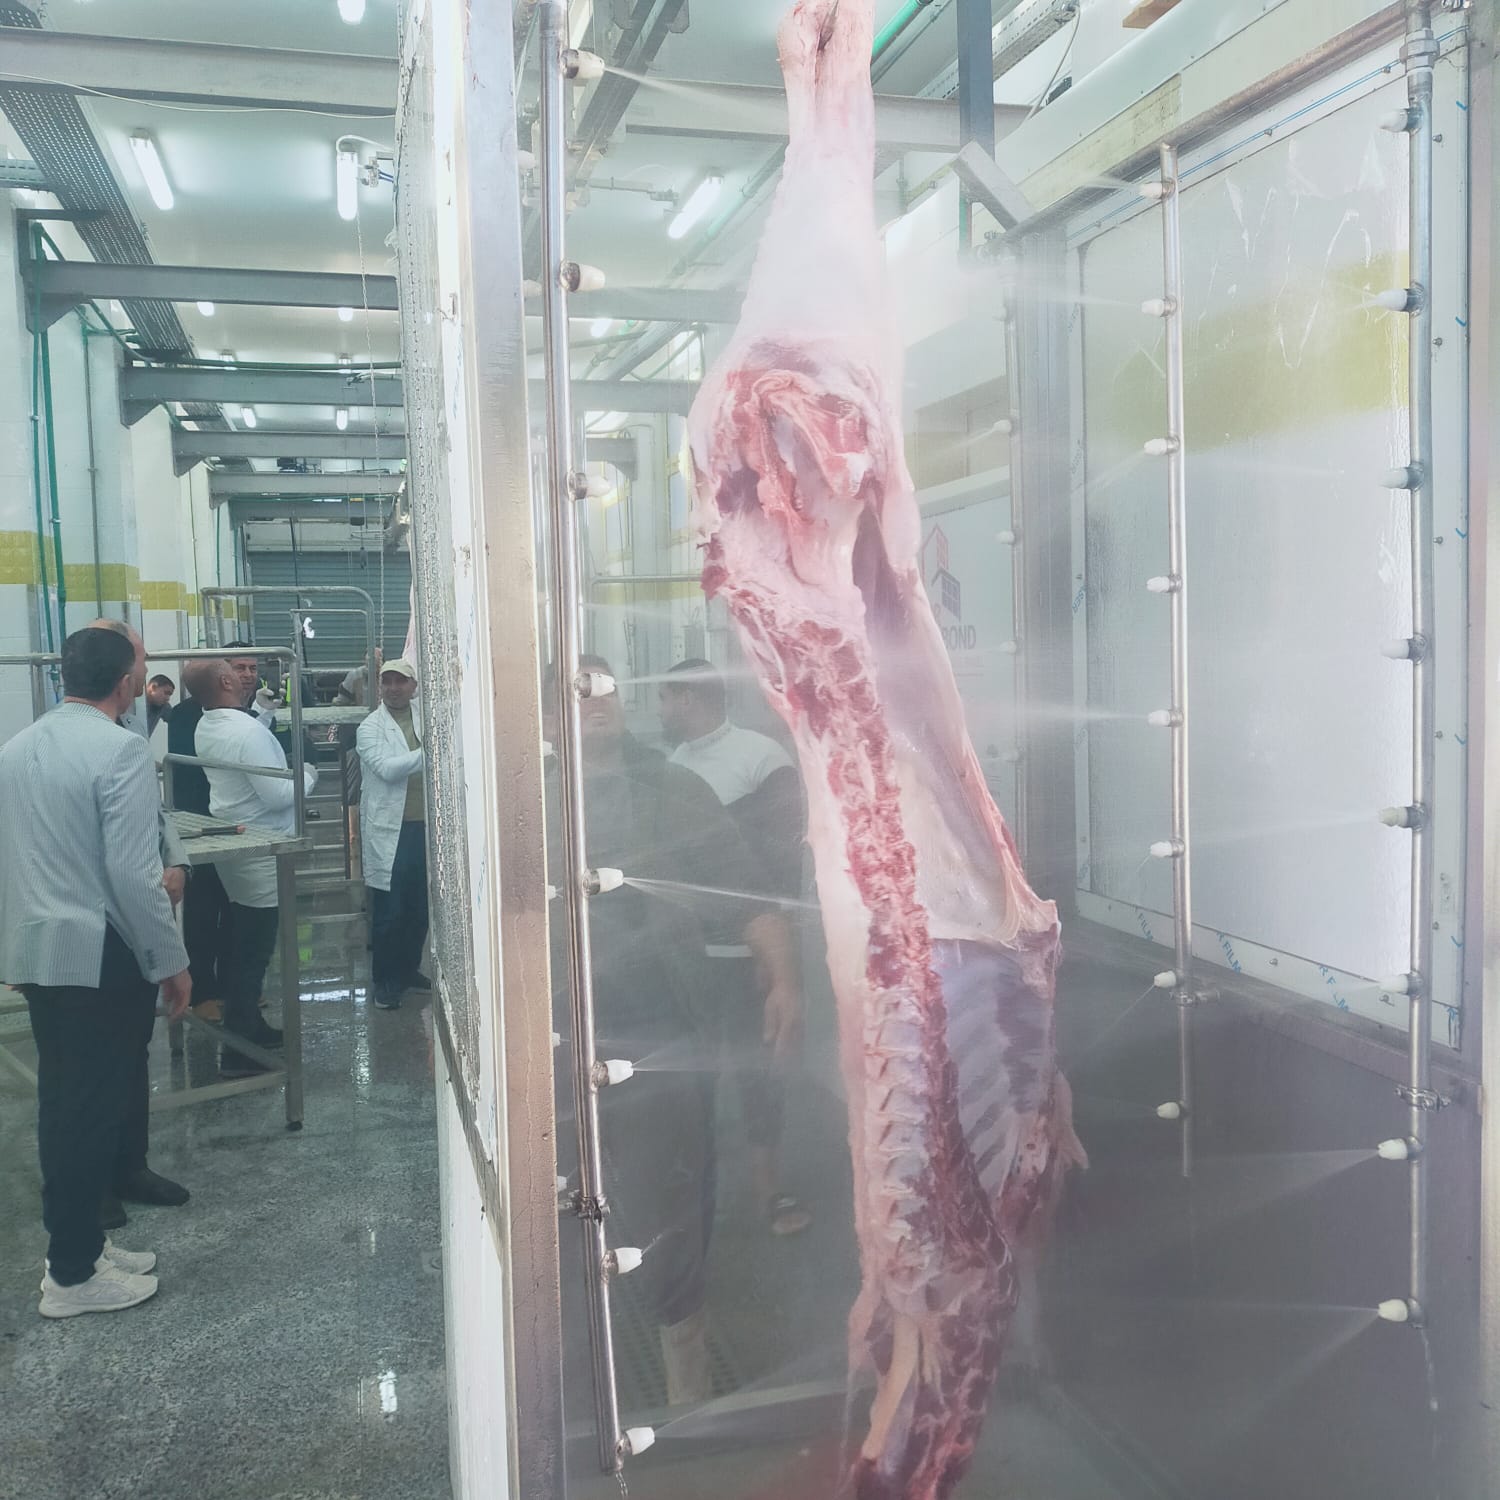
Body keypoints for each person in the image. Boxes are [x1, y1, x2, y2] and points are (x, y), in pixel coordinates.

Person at [548, 654, 802, 1405]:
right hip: (548, 1033)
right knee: (554, 1197)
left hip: (658, 1028)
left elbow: (745, 893)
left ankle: (685, 1374)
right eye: (576, 691)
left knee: (673, 1197)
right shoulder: (525, 797)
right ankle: (557, 1366)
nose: (595, 700)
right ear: (547, 712)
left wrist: (785, 979)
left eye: (604, 687)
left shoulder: (672, 788)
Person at [0, 627, 191, 1318]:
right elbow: (134, 875)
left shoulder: (17, 747)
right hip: (98, 953)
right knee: (84, 1114)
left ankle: (82, 1247)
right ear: (127, 682)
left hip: (41, 950)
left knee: (68, 1105)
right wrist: (171, 961)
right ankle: (73, 1277)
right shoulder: (120, 750)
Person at [660, 657, 812, 1237]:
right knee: (693, 1075)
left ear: (688, 698)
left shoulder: (760, 759)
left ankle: (770, 1187)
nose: (661, 709)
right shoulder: (674, 766)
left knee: (759, 1072)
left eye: (666, 698)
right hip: (690, 957)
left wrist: (774, 955)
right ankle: (697, 1192)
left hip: (750, 952)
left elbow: (783, 864)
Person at [85, 620, 193, 1219]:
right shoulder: (73, 737)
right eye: (140, 662)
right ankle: (94, 1183)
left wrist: (175, 860)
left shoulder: (129, 727)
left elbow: (154, 809)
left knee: (131, 1052)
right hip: (95, 920)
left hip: (131, 921)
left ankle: (131, 1166)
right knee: (91, 1066)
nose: (145, 672)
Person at [186, 658, 318, 1077]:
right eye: (236, 670)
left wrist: (261, 713)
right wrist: (308, 774)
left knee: (242, 942)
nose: (247, 675)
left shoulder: (208, 723)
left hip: (236, 842)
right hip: (261, 846)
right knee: (253, 951)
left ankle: (249, 1026)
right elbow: (277, 795)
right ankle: (239, 1051)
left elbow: (245, 750)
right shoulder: (245, 732)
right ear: (226, 680)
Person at [356, 658, 430, 1011]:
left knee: (420, 907)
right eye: (387, 682)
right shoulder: (370, 727)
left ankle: (409, 970)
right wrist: (431, 753)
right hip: (392, 830)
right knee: (390, 910)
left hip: (426, 825)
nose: (394, 688)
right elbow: (387, 769)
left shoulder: (425, 716)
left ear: (414, 686)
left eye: (401, 681)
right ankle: (385, 981)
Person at [167, 662, 233, 1024]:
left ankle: (232, 988)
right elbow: (190, 771)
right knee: (204, 911)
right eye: (239, 668)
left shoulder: (253, 712)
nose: (246, 675)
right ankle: (204, 992)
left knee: (237, 912)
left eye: (252, 668)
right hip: (202, 825)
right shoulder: (185, 714)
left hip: (241, 824)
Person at [223, 639, 278, 728]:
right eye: (240, 668)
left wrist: (265, 712)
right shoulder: (206, 706)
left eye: (253, 668)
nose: (248, 675)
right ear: (222, 671)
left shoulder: (258, 695)